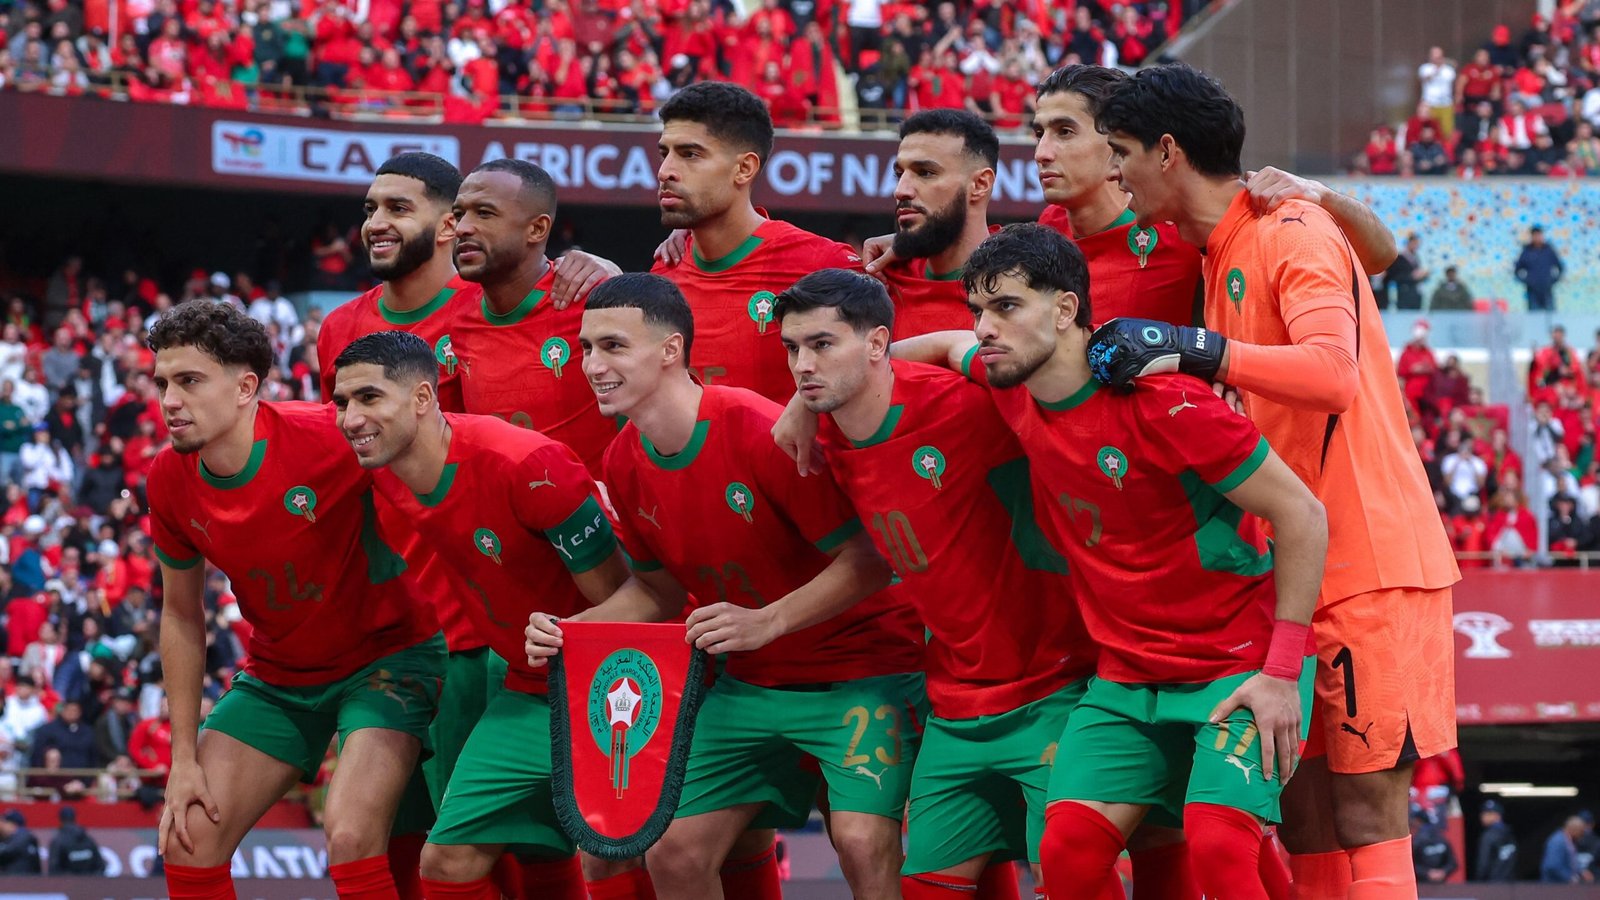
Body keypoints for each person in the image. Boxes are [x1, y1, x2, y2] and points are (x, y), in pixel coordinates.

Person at [1091, 63, 1459, 900]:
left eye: (1121, 153)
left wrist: (1196, 350)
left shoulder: (1288, 230)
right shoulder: (1230, 243)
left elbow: (1333, 375)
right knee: (1306, 820)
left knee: (1368, 812)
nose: (1115, 173)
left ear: (1168, 152)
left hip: (1371, 570)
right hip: (1293, 571)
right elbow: (1383, 249)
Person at [880, 224, 1327, 899]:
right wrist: (811, 396)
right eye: (979, 310)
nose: (985, 327)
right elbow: (944, 346)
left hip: (1240, 668)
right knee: (1067, 856)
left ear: (1064, 311)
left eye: (1005, 307)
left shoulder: (1169, 400)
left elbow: (1303, 516)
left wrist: (1280, 671)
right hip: (1125, 680)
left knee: (1220, 849)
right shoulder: (1012, 381)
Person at [526, 273, 924, 900]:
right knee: (671, 851)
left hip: (861, 670)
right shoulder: (622, 459)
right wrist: (576, 629)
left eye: (612, 347)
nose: (592, 366)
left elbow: (873, 561)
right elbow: (656, 591)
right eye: (584, 349)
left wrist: (768, 621)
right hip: (750, 684)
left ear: (670, 351)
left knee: (860, 843)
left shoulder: (757, 430)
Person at [772, 269, 1098, 898]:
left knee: (1072, 874)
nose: (802, 365)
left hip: (1057, 682)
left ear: (877, 345)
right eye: (792, 349)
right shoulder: (823, 438)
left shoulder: (970, 402)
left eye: (821, 344)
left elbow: (996, 359)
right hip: (954, 697)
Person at [145, 299, 444, 900]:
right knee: (186, 838)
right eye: (162, 383)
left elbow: (441, 465)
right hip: (281, 675)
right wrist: (182, 759)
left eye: (189, 381)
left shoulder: (330, 437)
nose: (170, 400)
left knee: (351, 835)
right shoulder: (167, 479)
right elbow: (180, 614)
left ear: (245, 387)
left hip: (388, 660)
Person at [330, 330, 629, 900]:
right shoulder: (383, 467)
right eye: (342, 402)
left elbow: (629, 600)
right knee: (447, 860)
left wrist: (576, 632)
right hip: (526, 685)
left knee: (617, 855)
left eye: (368, 398)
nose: (350, 418)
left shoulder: (525, 466)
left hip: (609, 679)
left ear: (422, 398)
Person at [649, 81, 864, 403]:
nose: (665, 171)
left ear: (744, 168)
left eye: (690, 154)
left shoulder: (821, 264)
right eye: (665, 153)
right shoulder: (664, 270)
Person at [450, 159, 620, 473]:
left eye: (484, 213)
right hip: (497, 517)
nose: (461, 228)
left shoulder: (595, 301)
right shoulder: (452, 315)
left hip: (595, 516)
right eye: (459, 214)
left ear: (537, 229)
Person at [873, 109, 1000, 339]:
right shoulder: (880, 281)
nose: (901, 190)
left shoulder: (1021, 290)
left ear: (980, 184)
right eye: (899, 173)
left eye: (926, 173)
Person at [1514, 225, 1564, 312]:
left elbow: (1560, 267)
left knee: (1551, 316)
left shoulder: (1548, 250)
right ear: (1532, 236)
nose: (1537, 238)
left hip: (1547, 289)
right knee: (1534, 317)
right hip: (1532, 291)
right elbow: (1517, 270)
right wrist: (1527, 281)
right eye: (1535, 235)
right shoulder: (1527, 251)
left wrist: (1553, 280)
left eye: (1539, 235)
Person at [47, 806, 105, 875]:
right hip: (89, 884)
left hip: (68, 884)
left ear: (60, 820)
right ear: (75, 818)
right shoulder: (88, 839)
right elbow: (101, 866)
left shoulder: (57, 841)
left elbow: (53, 870)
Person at [1410, 805, 1457, 884]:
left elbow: (1409, 865)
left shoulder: (1417, 841)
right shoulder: (1441, 838)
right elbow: (1452, 863)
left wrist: (1439, 872)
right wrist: (1441, 872)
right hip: (1433, 884)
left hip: (1424, 886)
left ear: (1417, 821)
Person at [1475, 799, 1517, 882]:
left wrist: (1479, 882)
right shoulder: (1510, 834)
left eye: (1487, 814)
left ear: (1497, 815)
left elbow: (1483, 865)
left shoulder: (1489, 836)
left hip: (1492, 886)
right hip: (1511, 886)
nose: (1482, 816)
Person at [1383, 234, 1429, 310]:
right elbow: (1393, 276)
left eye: (1417, 244)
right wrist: (1412, 276)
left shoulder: (1416, 258)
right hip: (1403, 293)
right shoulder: (1400, 258)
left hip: (1415, 293)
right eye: (1414, 243)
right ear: (1409, 243)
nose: (1416, 246)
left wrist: (1423, 275)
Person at [1542, 815, 1592, 883]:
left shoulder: (1568, 841)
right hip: (1554, 887)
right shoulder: (1557, 841)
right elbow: (1552, 866)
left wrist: (1580, 871)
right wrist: (1570, 879)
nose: (1582, 835)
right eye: (1581, 832)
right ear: (1574, 829)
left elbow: (1570, 861)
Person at [0, 809, 40, 874]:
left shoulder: (23, 836)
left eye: (3, 822)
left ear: (12, 825)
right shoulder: (8, 839)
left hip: (22, 881)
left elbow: (6, 851)